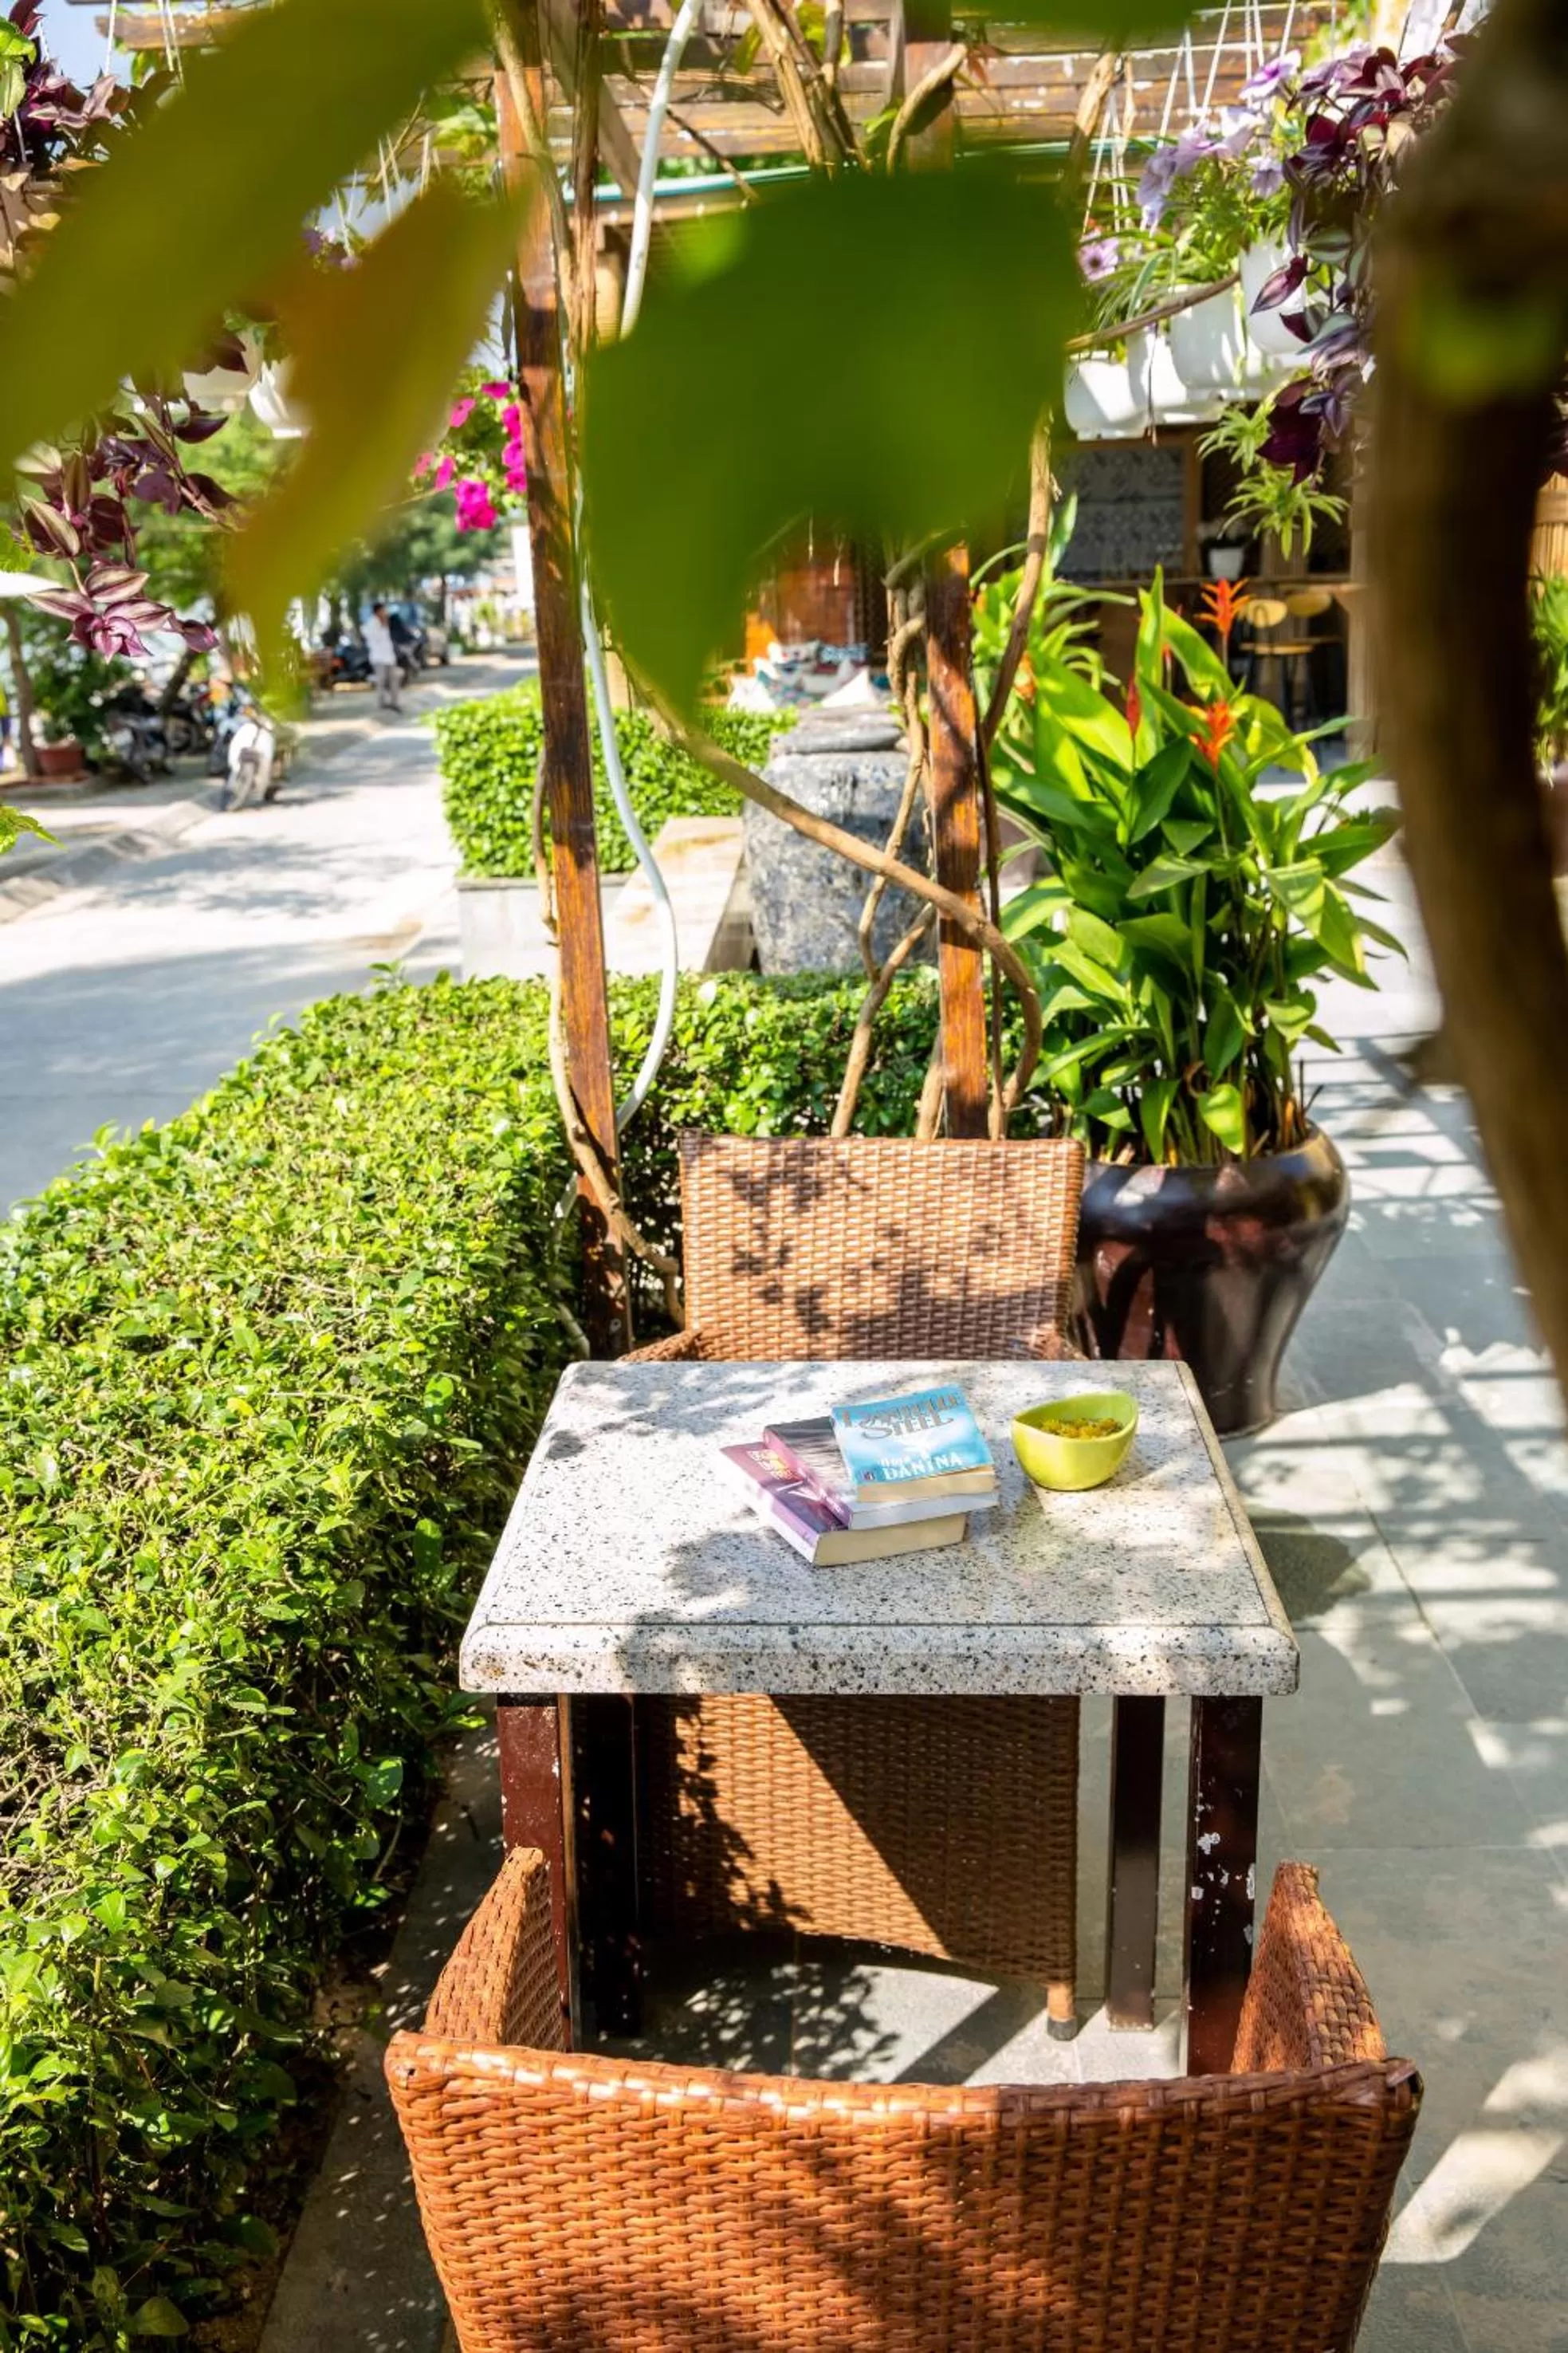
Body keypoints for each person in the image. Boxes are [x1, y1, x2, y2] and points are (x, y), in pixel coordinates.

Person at [364, 602, 402, 713]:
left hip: (389, 657)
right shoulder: (371, 624)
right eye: (383, 611)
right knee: (381, 680)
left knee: (394, 679)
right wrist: (383, 624)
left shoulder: (385, 623)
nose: (385, 613)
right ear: (378, 612)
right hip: (378, 657)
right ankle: (382, 702)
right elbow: (374, 639)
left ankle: (395, 702)